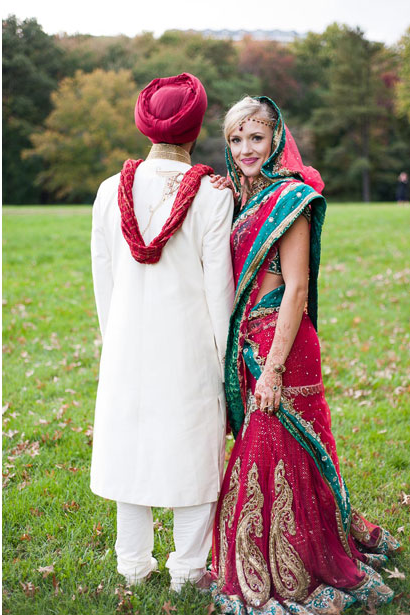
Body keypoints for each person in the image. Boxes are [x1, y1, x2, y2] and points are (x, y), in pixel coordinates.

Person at [209, 96, 400, 612]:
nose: (246, 148)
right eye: (236, 139)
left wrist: (271, 370)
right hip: (248, 340)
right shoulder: (242, 199)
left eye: (256, 137)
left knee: (279, 448)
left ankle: (298, 560)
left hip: (283, 348)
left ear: (276, 140)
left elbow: (296, 289)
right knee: (271, 451)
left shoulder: (291, 199)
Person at [89, 73, 235, 592]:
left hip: (127, 339)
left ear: (143, 125)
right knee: (192, 451)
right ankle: (189, 569)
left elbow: (103, 278)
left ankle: (132, 563)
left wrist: (118, 336)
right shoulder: (213, 196)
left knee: (131, 446)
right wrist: (226, 362)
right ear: (195, 129)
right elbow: (219, 290)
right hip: (191, 343)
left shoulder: (110, 192)